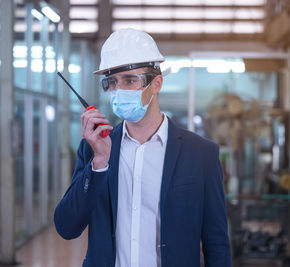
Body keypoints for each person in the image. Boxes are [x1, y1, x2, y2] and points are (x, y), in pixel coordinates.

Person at [54, 28, 231, 267]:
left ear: (156, 83)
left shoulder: (200, 154)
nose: (119, 91)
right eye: (112, 82)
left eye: (130, 80)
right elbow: (67, 227)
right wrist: (99, 164)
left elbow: (217, 243)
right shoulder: (95, 149)